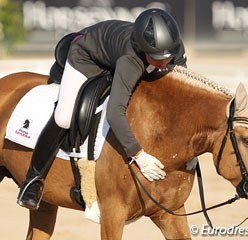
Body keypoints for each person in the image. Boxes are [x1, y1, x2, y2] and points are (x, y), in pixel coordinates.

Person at [17, 8, 187, 210]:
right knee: (64, 117)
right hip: (86, 56)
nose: (163, 62)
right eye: (156, 58)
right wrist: (139, 156)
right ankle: (33, 178)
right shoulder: (130, 59)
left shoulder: (172, 49)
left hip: (112, 54)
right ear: (142, 49)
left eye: (167, 57)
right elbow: (115, 113)